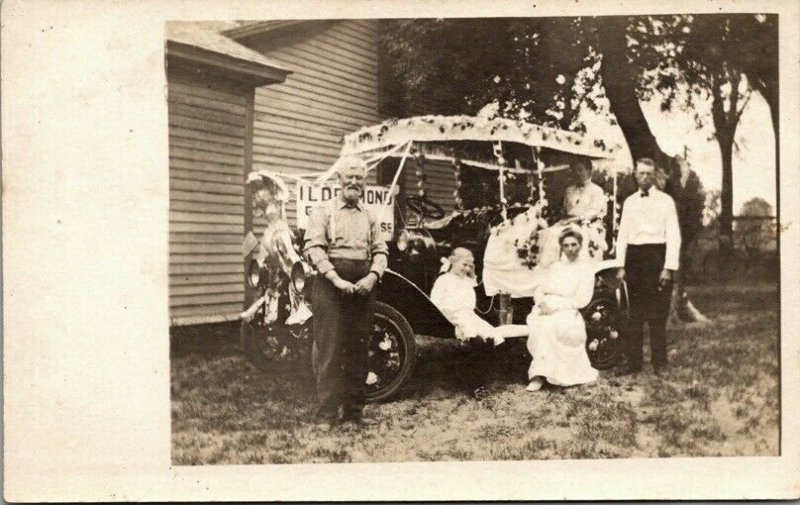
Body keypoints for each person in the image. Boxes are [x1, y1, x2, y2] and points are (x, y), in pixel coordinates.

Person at [303, 156, 388, 431]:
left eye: (359, 178)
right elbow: (313, 249)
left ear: (365, 182)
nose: (354, 182)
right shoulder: (323, 211)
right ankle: (327, 413)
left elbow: (381, 252)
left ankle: (352, 414)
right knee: (329, 350)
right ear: (339, 180)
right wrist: (336, 280)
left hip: (363, 287)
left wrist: (372, 276)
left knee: (358, 350)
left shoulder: (371, 216)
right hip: (330, 286)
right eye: (348, 177)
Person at [615, 158, 682, 376]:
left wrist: (668, 267)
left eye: (648, 174)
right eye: (641, 173)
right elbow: (622, 235)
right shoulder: (629, 202)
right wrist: (621, 265)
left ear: (654, 176)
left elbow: (673, 236)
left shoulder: (666, 201)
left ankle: (659, 363)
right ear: (635, 174)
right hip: (634, 258)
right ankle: (633, 362)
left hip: (656, 257)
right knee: (633, 314)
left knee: (657, 313)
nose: (644, 177)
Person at [525, 228, 599, 391]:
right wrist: (541, 303)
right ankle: (542, 371)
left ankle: (539, 375)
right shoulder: (556, 267)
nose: (570, 248)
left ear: (580, 246)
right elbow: (539, 288)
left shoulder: (586, 270)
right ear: (562, 247)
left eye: (574, 244)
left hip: (567, 310)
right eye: (566, 245)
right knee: (539, 322)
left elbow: (581, 300)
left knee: (549, 325)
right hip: (545, 307)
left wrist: (556, 307)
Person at [430, 247, 509, 346]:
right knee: (468, 327)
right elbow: (435, 300)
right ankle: (473, 341)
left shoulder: (467, 281)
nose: (467, 269)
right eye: (464, 265)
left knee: (486, 328)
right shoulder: (444, 279)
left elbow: (475, 289)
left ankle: (494, 344)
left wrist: (472, 273)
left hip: (469, 314)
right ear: (453, 261)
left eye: (469, 266)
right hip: (452, 314)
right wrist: (444, 312)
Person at [536, 159, 608, 268]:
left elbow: (595, 211)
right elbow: (566, 210)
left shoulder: (597, 190)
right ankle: (548, 268)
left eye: (580, 170)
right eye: (575, 170)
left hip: (586, 224)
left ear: (589, 171)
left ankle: (564, 268)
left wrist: (576, 219)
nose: (577, 173)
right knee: (547, 233)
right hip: (568, 223)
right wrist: (565, 219)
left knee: (557, 235)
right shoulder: (569, 190)